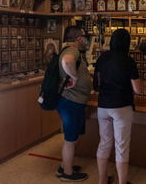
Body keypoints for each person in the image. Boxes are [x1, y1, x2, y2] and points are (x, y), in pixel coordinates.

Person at [93, 29, 142, 184]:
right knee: (121, 146)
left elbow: (97, 84)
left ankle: (102, 180)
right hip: (122, 107)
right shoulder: (129, 61)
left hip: (103, 106)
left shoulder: (102, 58)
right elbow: (137, 89)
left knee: (104, 143)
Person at [56, 26, 92, 181]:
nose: (84, 39)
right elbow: (67, 61)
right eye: (83, 36)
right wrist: (75, 77)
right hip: (71, 101)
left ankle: (65, 165)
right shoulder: (72, 51)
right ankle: (67, 174)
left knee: (73, 137)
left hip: (72, 101)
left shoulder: (69, 50)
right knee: (70, 139)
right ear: (79, 38)